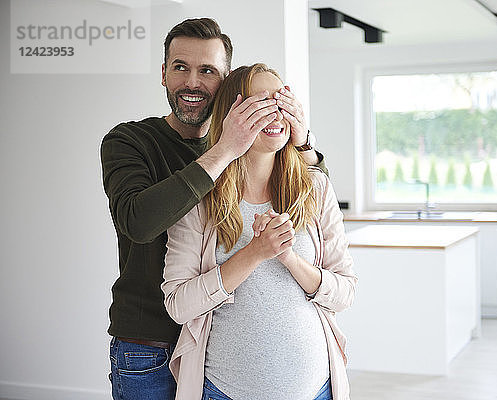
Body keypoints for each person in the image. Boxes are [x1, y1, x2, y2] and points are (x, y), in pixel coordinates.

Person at [101, 19, 327, 400]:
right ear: (163, 74)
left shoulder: (249, 154)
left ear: (225, 85)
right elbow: (137, 222)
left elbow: (312, 196)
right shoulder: (129, 140)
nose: (192, 82)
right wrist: (226, 148)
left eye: (207, 71)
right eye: (180, 67)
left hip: (217, 345)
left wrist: (302, 141)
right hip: (150, 345)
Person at [161, 63, 357, 400]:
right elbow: (179, 305)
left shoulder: (315, 188)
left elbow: (345, 292)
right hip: (223, 391)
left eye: (281, 102)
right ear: (231, 115)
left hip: (317, 389)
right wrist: (254, 253)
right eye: (261, 103)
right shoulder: (200, 198)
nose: (276, 113)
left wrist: (289, 259)